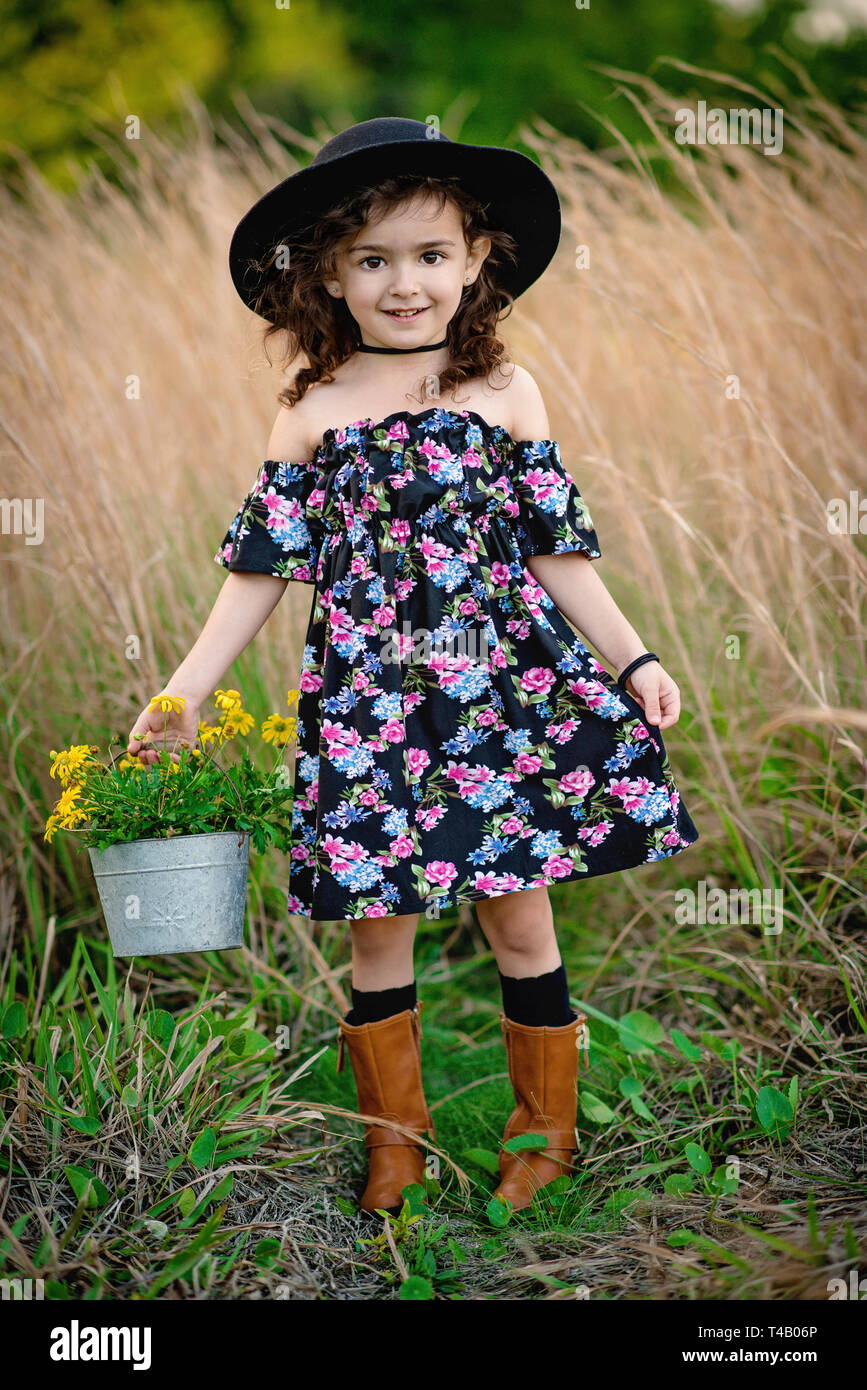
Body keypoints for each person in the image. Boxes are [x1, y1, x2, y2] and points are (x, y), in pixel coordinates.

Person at [127, 117, 699, 1219]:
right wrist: (183, 689)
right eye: (374, 259)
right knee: (376, 923)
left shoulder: (505, 395)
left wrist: (635, 658)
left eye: (430, 256)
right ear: (331, 275)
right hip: (368, 708)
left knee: (519, 918)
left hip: (501, 697)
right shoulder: (317, 408)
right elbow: (259, 570)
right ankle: (396, 1142)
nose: (404, 283)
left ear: (477, 260)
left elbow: (558, 553)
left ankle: (543, 1135)